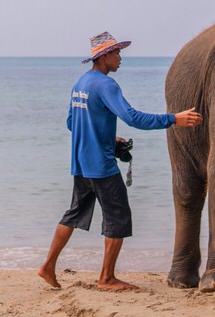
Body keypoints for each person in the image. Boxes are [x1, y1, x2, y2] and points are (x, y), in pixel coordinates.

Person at [37, 32, 202, 291]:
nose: (120, 58)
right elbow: (134, 118)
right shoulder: (106, 85)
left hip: (80, 164)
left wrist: (107, 137)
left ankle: (47, 267)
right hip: (101, 167)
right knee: (119, 217)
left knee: (73, 214)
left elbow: (72, 123)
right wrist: (173, 119)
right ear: (103, 57)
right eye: (116, 53)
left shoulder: (81, 83)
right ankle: (106, 278)